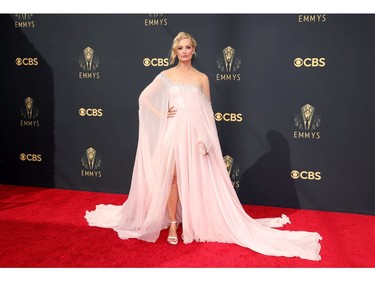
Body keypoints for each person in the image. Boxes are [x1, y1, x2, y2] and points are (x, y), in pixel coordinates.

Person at [85, 31, 322, 261]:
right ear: (175, 51)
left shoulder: (201, 78)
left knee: (195, 178)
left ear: (194, 50)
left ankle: (196, 220)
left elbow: (208, 111)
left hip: (195, 136)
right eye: (180, 48)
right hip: (174, 133)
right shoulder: (166, 75)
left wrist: (207, 138)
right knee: (173, 179)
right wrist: (162, 113)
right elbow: (144, 98)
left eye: (188, 47)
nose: (185, 51)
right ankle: (172, 225)